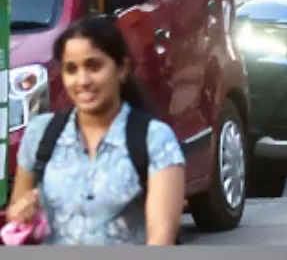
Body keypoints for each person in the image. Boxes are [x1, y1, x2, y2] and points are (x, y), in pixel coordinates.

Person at [6, 16, 186, 246]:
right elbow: (17, 214)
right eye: (72, 69)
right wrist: (22, 214)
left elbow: (161, 238)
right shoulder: (41, 134)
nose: (83, 80)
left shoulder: (155, 140)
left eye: (94, 66)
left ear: (122, 69)